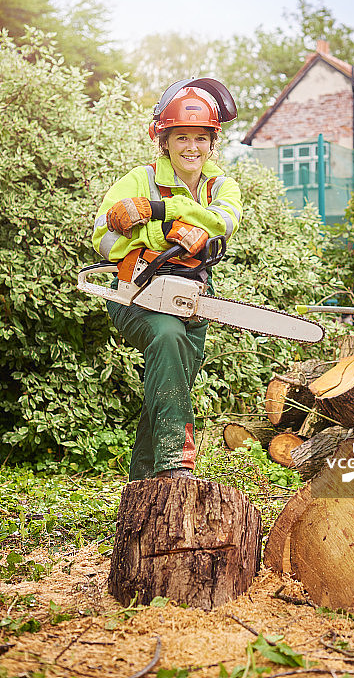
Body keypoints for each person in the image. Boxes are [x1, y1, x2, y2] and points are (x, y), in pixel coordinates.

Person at [92, 79, 241, 481]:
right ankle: (176, 464)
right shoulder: (137, 179)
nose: (191, 147)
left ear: (212, 141)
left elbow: (222, 224)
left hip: (192, 294)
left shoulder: (221, 186)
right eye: (181, 138)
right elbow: (102, 237)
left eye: (200, 138)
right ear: (165, 140)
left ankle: (143, 487)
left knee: (169, 383)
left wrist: (164, 208)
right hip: (135, 291)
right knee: (168, 339)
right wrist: (158, 237)